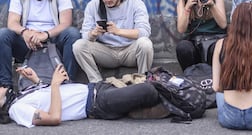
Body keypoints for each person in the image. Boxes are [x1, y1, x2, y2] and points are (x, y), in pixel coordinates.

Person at [0, 0, 80, 103]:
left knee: (73, 34)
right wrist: (25, 32)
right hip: (27, 42)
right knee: (3, 35)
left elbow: (65, 23)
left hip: (52, 41)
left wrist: (45, 34)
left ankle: (68, 85)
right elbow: (12, 22)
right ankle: (6, 87)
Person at [0, 64, 160, 127]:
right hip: (98, 103)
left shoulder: (19, 96)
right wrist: (55, 83)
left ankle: (178, 91)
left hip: (97, 87)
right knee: (148, 90)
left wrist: (36, 80)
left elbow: (47, 99)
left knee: (154, 77)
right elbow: (53, 117)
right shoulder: (16, 110)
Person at [73, 0, 153, 82]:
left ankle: (142, 81)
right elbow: (85, 36)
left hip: (130, 51)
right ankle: (97, 83)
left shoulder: (135, 4)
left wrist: (118, 31)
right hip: (106, 52)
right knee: (78, 45)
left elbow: (144, 32)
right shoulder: (93, 6)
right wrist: (93, 34)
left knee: (145, 43)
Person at [176, 0, 227, 71]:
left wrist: (212, 6)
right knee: (183, 47)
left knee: (222, 47)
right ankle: (190, 76)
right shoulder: (183, 0)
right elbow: (181, 29)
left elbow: (223, 24)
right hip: (195, 42)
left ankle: (214, 78)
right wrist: (188, 7)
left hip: (214, 40)